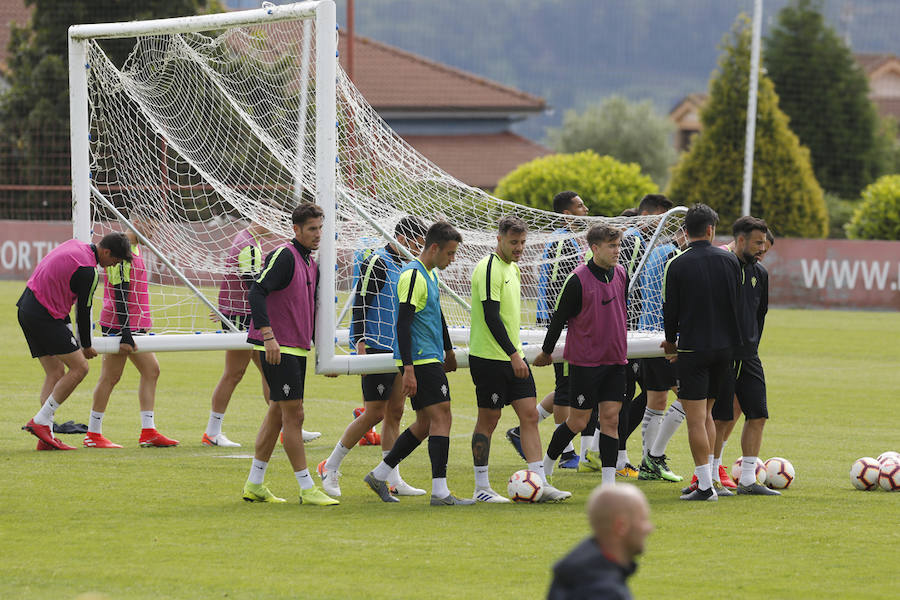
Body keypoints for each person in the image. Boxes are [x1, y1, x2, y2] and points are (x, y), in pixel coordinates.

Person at [317, 216, 430, 497]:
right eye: (416, 242)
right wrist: (360, 344)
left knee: (396, 412)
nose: (418, 248)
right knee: (374, 413)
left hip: (398, 350)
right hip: (376, 346)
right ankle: (330, 466)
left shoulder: (408, 266)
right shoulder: (377, 262)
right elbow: (361, 303)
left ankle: (391, 477)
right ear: (403, 239)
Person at [363, 221, 474, 506]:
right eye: (450, 253)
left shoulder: (430, 274)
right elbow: (402, 324)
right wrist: (408, 369)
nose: (453, 259)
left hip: (431, 356)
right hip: (420, 359)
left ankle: (379, 474)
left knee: (425, 422)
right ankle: (440, 492)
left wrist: (448, 349)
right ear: (434, 248)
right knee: (442, 416)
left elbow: (437, 314)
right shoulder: (412, 275)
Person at [240, 203, 337, 506]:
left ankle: (255, 484)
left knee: (278, 413)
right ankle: (307, 487)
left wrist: (325, 354)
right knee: (295, 414)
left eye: (320, 228)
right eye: (311, 229)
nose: (317, 234)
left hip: (296, 347)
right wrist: (268, 337)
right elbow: (257, 290)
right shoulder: (284, 255)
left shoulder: (312, 262)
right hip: (278, 348)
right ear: (296, 230)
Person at [468, 216, 571, 503]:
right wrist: (513, 354)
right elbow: (490, 317)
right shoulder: (489, 268)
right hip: (490, 358)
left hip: (513, 357)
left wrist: (516, 354)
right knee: (489, 419)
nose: (519, 248)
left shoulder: (512, 268)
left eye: (523, 242)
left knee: (529, 416)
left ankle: (539, 481)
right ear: (499, 239)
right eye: (514, 242)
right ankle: (482, 488)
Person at [203, 218, 320, 447]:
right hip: (243, 317)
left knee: (270, 372)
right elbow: (254, 286)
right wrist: (231, 309)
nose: (275, 225)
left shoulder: (249, 242)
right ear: (259, 217)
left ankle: (290, 425)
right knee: (234, 372)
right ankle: (212, 431)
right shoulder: (248, 245)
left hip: (243, 314)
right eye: (272, 219)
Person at [534, 223, 629, 487]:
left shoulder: (622, 273)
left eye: (618, 245)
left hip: (615, 361)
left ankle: (608, 484)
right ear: (595, 248)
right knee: (578, 421)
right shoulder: (577, 279)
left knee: (610, 420)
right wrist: (546, 352)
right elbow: (558, 319)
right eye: (612, 246)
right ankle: (547, 468)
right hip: (585, 364)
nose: (617, 251)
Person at [19, 233, 133, 450]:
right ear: (106, 252)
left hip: (27, 307)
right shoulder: (88, 271)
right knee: (80, 368)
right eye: (114, 262)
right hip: (44, 315)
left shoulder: (76, 246)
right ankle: (41, 421)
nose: (111, 267)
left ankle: (46, 438)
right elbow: (84, 309)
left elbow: (58, 287)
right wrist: (87, 345)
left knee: (55, 373)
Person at [661, 203, 742, 501]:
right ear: (710, 229)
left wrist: (670, 342)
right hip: (724, 349)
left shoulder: (677, 263)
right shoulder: (729, 261)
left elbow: (671, 309)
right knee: (706, 414)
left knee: (695, 419)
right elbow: (736, 305)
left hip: (694, 349)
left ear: (685, 231)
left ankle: (706, 487)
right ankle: (706, 480)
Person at [508, 191, 588, 470]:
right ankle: (566, 453)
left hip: (563, 323)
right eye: (580, 206)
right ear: (567, 214)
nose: (586, 209)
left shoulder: (564, 239)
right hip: (561, 324)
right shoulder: (561, 242)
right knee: (567, 388)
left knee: (569, 386)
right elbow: (556, 287)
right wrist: (562, 322)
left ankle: (522, 430)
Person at [85, 220, 178, 448]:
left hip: (130, 324)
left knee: (150, 371)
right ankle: (94, 434)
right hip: (121, 325)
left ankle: (148, 431)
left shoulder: (132, 249)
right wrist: (126, 331)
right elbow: (119, 293)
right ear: (138, 223)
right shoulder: (121, 251)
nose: (155, 233)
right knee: (112, 377)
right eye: (153, 227)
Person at [712, 217, 779, 496]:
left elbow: (759, 314)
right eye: (758, 243)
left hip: (749, 355)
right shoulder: (722, 266)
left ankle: (749, 480)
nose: (763, 248)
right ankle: (710, 474)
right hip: (723, 355)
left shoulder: (760, 274)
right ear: (740, 240)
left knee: (758, 415)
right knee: (721, 418)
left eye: (764, 243)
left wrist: (752, 346)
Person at [635, 228, 686, 483]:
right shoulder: (673, 256)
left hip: (647, 334)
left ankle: (647, 463)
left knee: (656, 400)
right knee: (690, 397)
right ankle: (654, 457)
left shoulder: (656, 251)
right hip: (664, 338)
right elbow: (671, 298)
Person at [547, 483, 653, 600]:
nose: (649, 528)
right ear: (621, 526)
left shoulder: (575, 570)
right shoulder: (606, 592)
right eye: (643, 520)